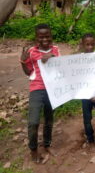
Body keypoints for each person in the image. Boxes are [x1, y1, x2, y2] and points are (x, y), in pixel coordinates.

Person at [20, 24, 60, 163]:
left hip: (51, 89)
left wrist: (51, 56)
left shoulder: (56, 50)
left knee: (49, 119)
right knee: (33, 121)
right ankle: (33, 150)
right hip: (37, 88)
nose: (45, 39)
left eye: (47, 36)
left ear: (51, 36)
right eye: (41, 37)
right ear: (36, 38)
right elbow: (28, 72)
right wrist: (22, 62)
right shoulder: (31, 52)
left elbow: (60, 68)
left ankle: (47, 144)